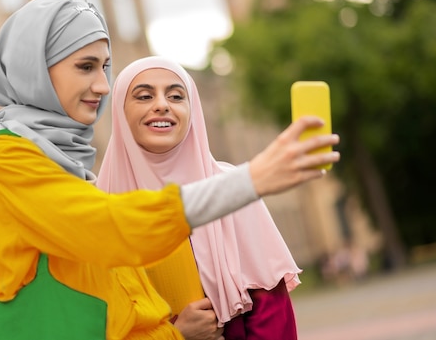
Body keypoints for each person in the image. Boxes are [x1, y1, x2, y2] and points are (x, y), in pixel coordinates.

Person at [0, 0, 340, 340]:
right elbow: (111, 230)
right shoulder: (5, 159)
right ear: (35, 66)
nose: (102, 85)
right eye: (85, 66)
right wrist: (250, 180)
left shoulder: (66, 165)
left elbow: (116, 304)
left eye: (104, 67)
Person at [96, 57, 311, 339]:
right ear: (120, 112)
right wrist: (175, 334)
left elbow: (272, 311)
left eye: (176, 96)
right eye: (144, 96)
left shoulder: (231, 188)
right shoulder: (100, 204)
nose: (162, 104)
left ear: (192, 110)